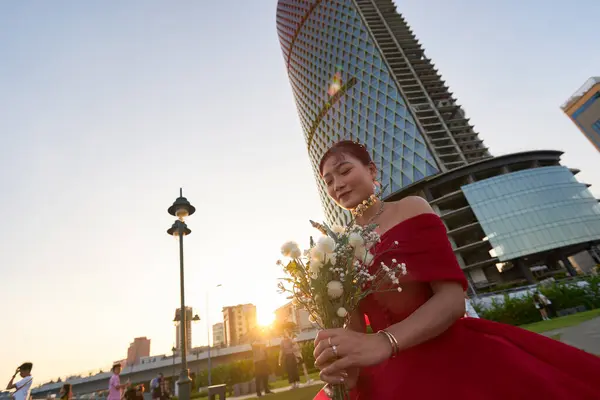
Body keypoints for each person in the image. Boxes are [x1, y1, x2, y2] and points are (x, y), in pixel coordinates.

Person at [311, 140, 600, 399]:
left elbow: (452, 299)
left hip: (448, 353)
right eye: (329, 180)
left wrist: (384, 342)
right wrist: (345, 365)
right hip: (383, 372)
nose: (338, 184)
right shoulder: (340, 248)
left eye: (345, 171)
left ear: (372, 171)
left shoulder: (410, 208)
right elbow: (354, 327)